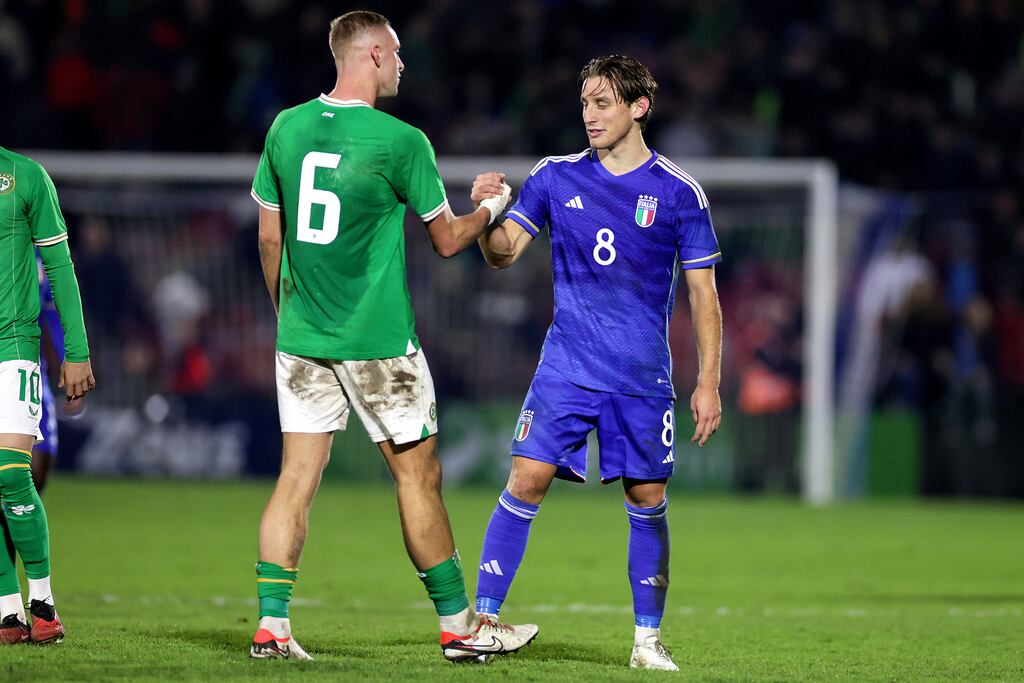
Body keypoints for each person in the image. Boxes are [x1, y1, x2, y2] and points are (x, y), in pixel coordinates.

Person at [248, 10, 535, 662]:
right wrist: (491, 207)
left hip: (302, 337)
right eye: (398, 53)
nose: (404, 65)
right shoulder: (401, 141)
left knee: (296, 477)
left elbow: (269, 237)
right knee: (418, 476)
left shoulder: (285, 127)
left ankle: (272, 626)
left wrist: (289, 313)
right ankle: (460, 628)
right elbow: (447, 240)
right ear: (374, 54)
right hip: (378, 343)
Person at [472, 55, 723, 671]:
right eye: (585, 102)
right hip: (566, 367)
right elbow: (503, 254)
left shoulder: (678, 192)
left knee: (647, 497)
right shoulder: (554, 176)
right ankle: (484, 622)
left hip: (640, 376)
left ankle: (647, 642)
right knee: (526, 478)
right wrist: (487, 216)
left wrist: (708, 382)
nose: (589, 114)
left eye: (603, 102)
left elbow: (704, 295)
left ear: (639, 107)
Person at [0, 147, 96, 645]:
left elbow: (58, 265)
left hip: (13, 344)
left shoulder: (25, 176)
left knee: (14, 474)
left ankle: (42, 601)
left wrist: (76, 351)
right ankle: (7, 612)